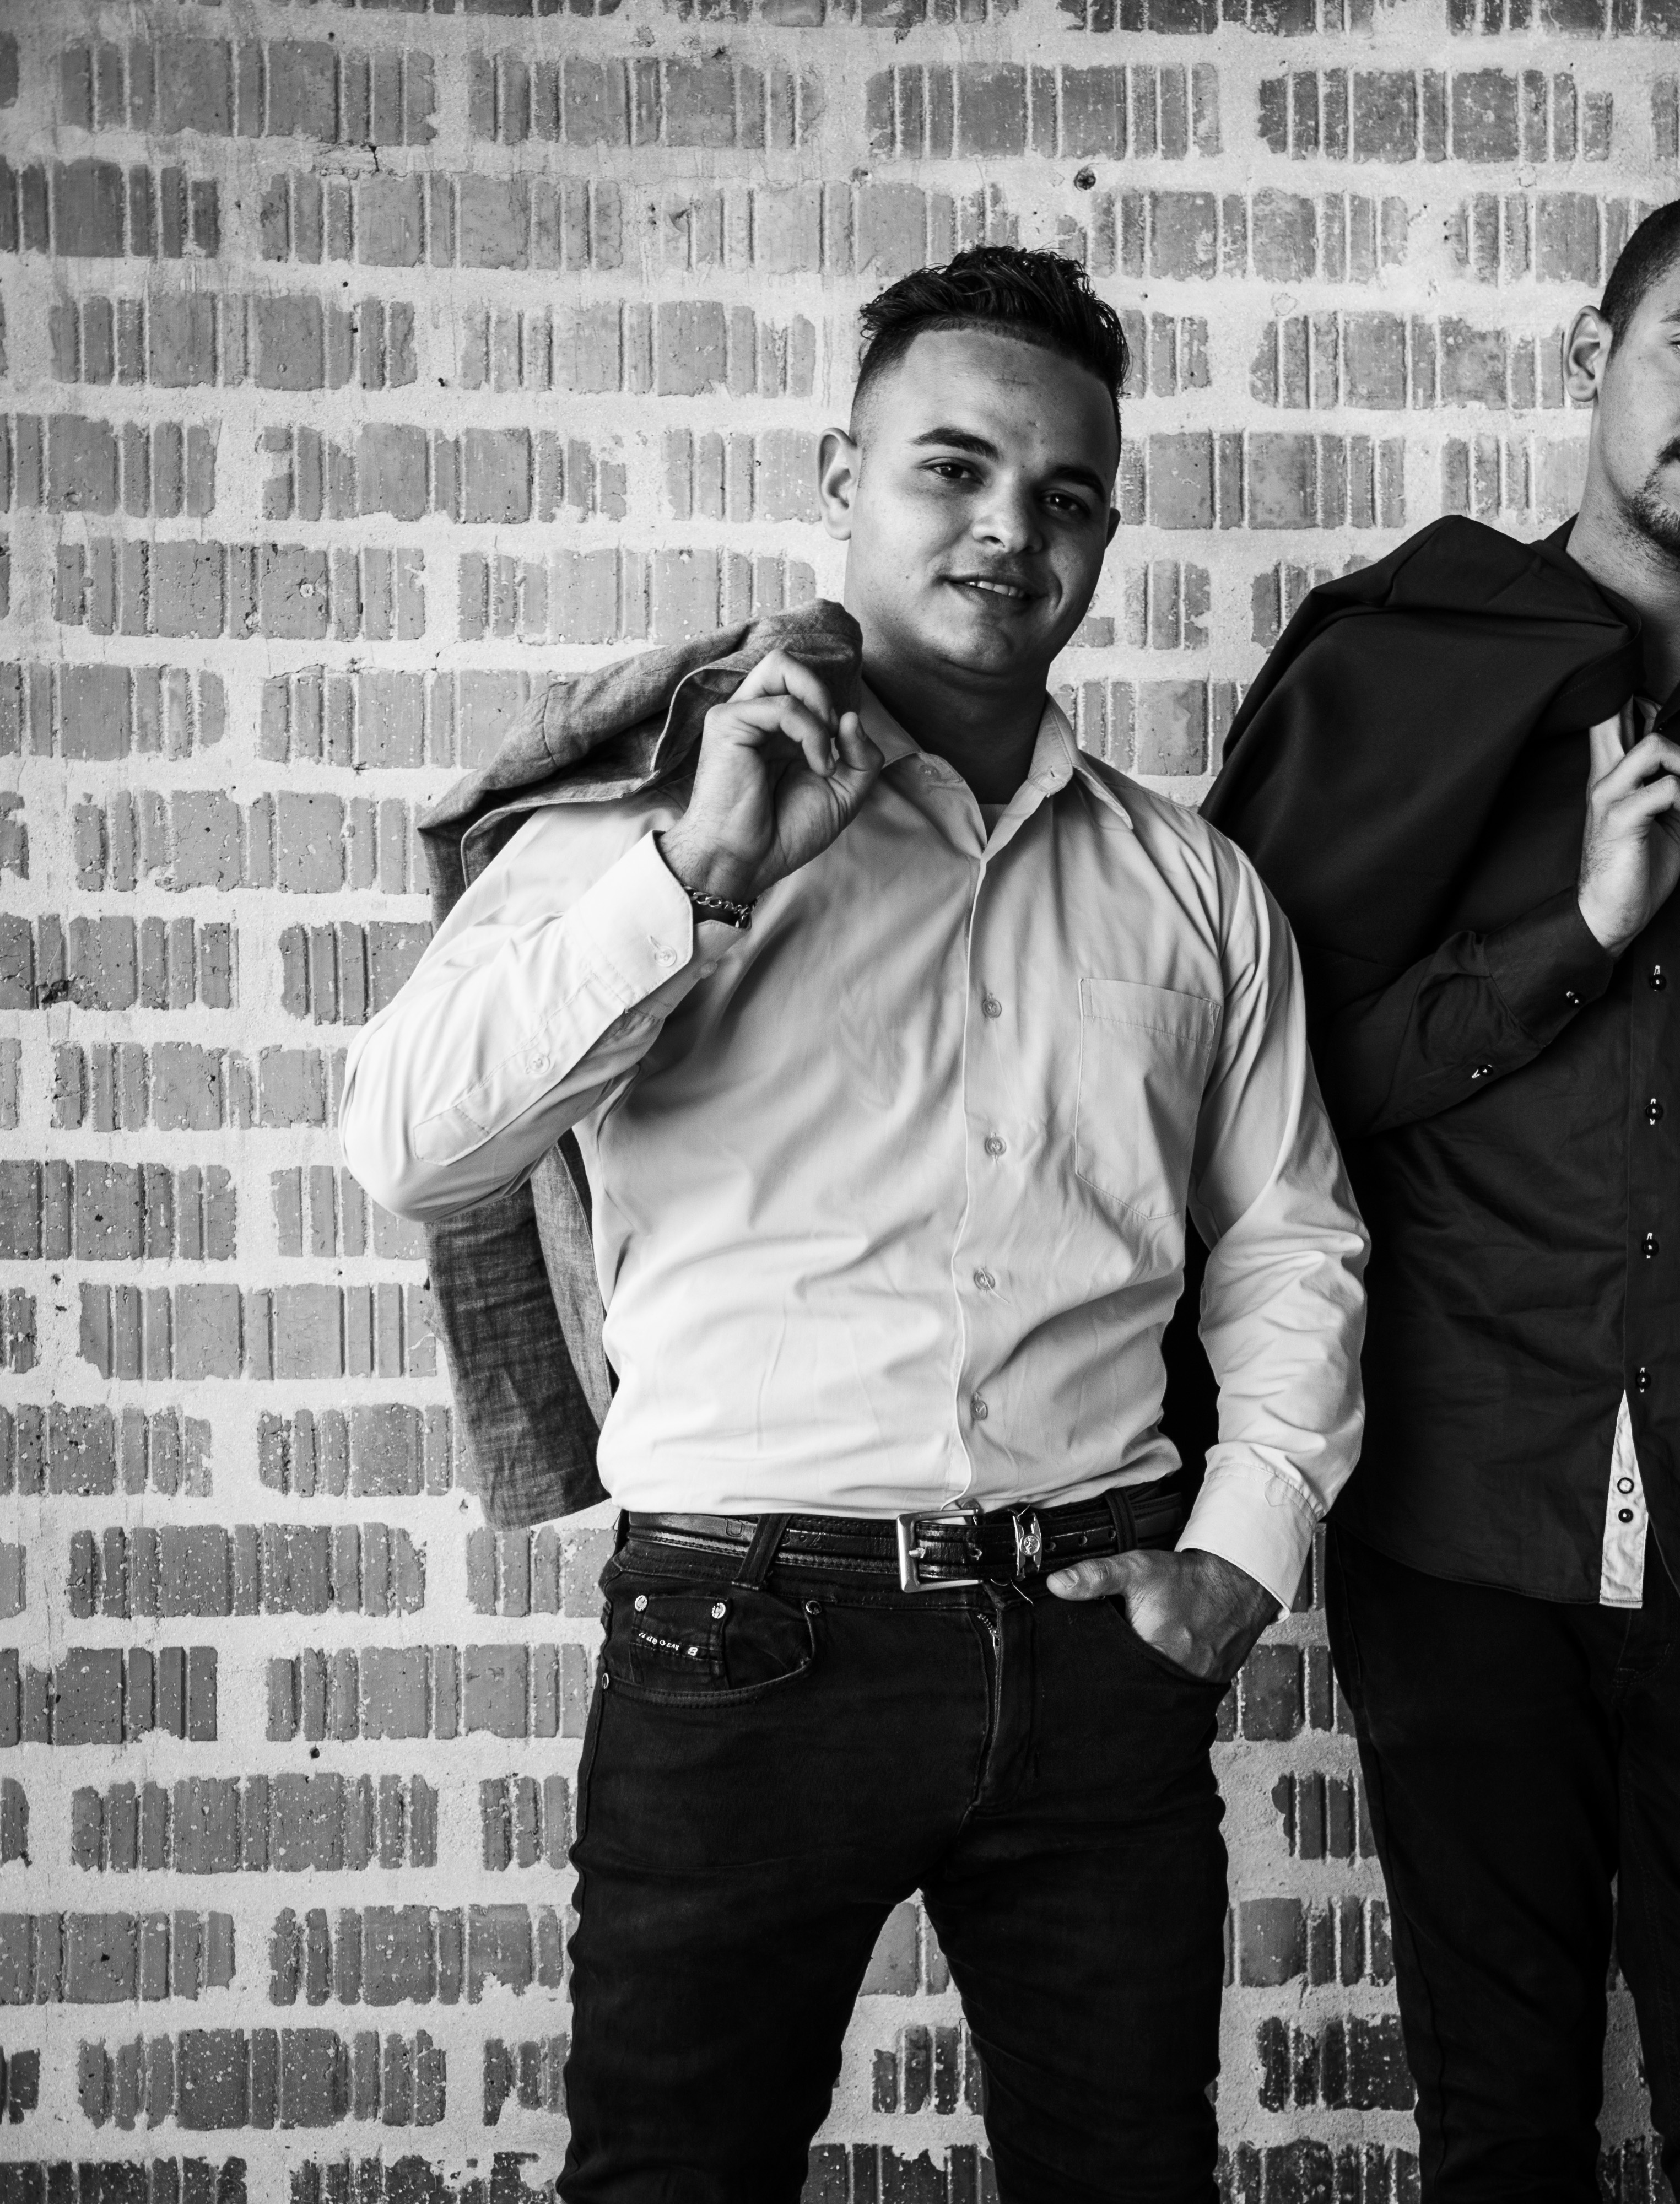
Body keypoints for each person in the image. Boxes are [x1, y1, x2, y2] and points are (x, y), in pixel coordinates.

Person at [342, 246, 1366, 2204]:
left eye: (1066, 496)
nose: (1010, 530)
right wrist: (702, 871)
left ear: (1106, 533)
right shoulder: (643, 825)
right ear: (845, 475)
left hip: (1094, 1642)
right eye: (953, 469)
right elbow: (414, 1145)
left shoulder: (1191, 885)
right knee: (675, 2181)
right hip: (742, 1643)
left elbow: (1289, 1245)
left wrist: (1242, 1554)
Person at [1196, 191, 1680, 2202]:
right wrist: (1578, 930)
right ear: (1593, 356)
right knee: (1500, 2125)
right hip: (1458, 1519)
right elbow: (1280, 1091)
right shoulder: (1405, 675)